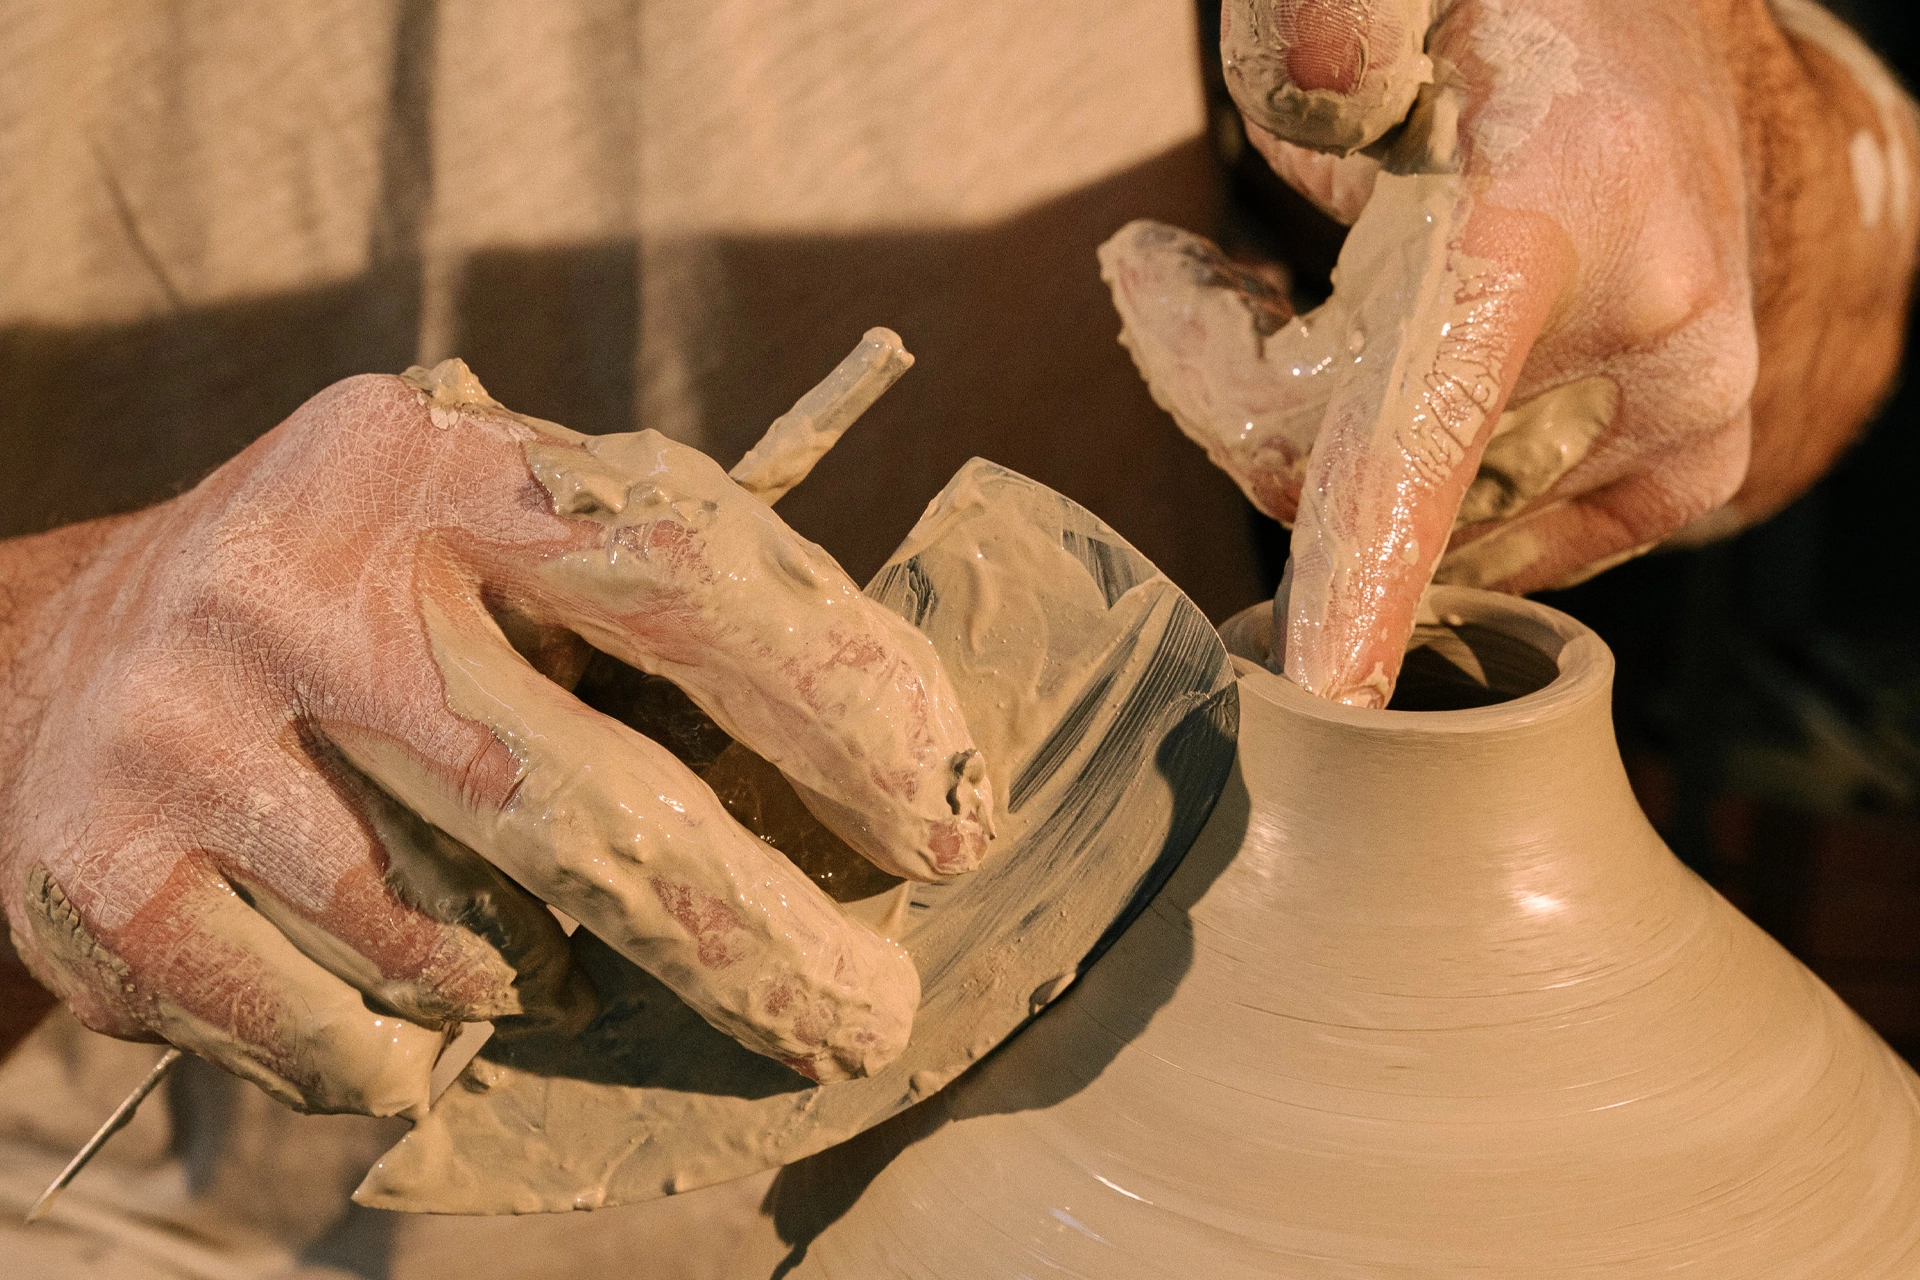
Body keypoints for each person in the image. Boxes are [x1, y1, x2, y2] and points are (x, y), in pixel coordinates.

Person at [1, 1, 1912, 1276]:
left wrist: (1713, 120)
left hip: (1169, 1037)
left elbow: (1838, 282)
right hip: (190, 1207)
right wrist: (42, 667)